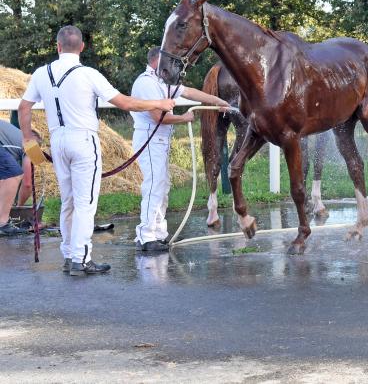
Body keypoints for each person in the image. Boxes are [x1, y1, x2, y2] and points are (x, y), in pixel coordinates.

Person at [18, 25, 177, 276]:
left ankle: (70, 254)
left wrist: (28, 139)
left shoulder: (41, 73)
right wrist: (159, 103)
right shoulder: (89, 74)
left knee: (68, 201)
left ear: (58, 46)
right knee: (85, 202)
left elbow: (24, 107)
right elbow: (125, 103)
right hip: (83, 140)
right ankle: (81, 259)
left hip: (57, 140)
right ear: (82, 47)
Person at [131, 47, 228, 252]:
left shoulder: (163, 82)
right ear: (157, 61)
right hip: (150, 138)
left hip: (159, 140)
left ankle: (157, 233)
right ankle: (146, 236)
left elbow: (190, 92)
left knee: (162, 186)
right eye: (170, 62)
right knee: (154, 186)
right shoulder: (146, 83)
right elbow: (158, 117)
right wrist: (184, 119)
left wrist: (218, 101)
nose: (173, 67)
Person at [0, 119, 33, 236]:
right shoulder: (33, 145)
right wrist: (19, 206)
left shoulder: (14, 137)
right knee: (14, 173)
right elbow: (27, 183)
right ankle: (2, 224)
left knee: (6, 175)